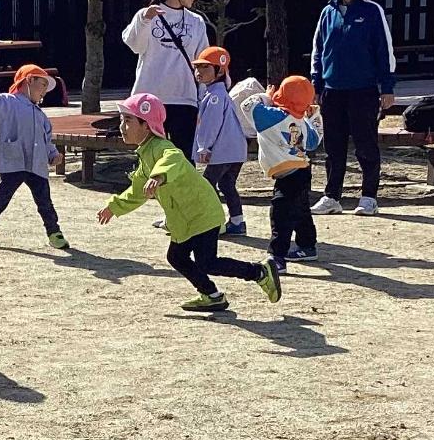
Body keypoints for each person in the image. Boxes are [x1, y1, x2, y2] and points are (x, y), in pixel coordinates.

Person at [97, 92, 281, 313]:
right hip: (186, 221)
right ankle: (212, 295)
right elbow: (137, 192)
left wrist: (159, 176)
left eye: (128, 120)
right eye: (121, 120)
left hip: (202, 214)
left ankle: (260, 272)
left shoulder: (161, 147)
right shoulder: (145, 155)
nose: (122, 126)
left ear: (146, 125)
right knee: (176, 257)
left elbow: (172, 158)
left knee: (207, 262)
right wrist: (113, 207)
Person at [309, 0, 397, 216]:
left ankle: (369, 196)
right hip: (332, 90)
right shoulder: (327, 12)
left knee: (365, 143)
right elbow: (318, 49)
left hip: (364, 89)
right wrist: (316, 83)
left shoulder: (372, 11)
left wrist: (387, 87)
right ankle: (332, 196)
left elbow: (384, 50)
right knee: (333, 146)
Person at [0, 61, 69, 252]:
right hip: (14, 162)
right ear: (28, 81)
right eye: (43, 84)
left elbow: (47, 140)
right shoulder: (7, 102)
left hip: (36, 164)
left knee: (44, 201)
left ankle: (54, 233)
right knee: (1, 199)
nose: (45, 90)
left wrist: (53, 155)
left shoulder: (41, 115)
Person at [122, 0, 212, 159]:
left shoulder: (196, 21)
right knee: (149, 157)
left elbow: (202, 61)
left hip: (185, 99)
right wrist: (145, 19)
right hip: (149, 99)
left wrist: (203, 96)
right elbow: (134, 45)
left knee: (183, 160)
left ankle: (180, 191)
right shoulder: (147, 14)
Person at [250, 75, 325, 271]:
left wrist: (266, 96)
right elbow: (314, 141)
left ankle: (277, 257)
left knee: (280, 216)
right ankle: (307, 246)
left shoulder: (270, 117)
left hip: (286, 175)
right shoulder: (301, 122)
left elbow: (248, 105)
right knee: (300, 210)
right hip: (301, 170)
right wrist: (314, 115)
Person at [190, 45, 246, 236]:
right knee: (226, 185)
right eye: (197, 67)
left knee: (207, 185)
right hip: (235, 151)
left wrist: (204, 147)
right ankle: (237, 221)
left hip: (223, 151)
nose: (199, 72)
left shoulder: (214, 96)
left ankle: (214, 222)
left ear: (220, 70)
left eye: (205, 67)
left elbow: (210, 125)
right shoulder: (218, 93)